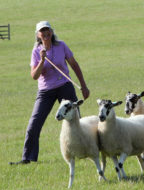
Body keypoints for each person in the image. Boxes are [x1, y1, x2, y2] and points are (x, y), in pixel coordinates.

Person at [10, 21, 90, 165]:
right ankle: (27, 158)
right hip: (45, 91)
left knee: (76, 119)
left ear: (51, 32)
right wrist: (41, 60)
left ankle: (84, 151)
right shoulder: (36, 51)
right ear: (38, 35)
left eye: (48, 30)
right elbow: (34, 76)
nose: (45, 33)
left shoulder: (61, 46)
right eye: (42, 31)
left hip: (65, 86)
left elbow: (74, 65)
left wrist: (83, 86)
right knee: (34, 124)